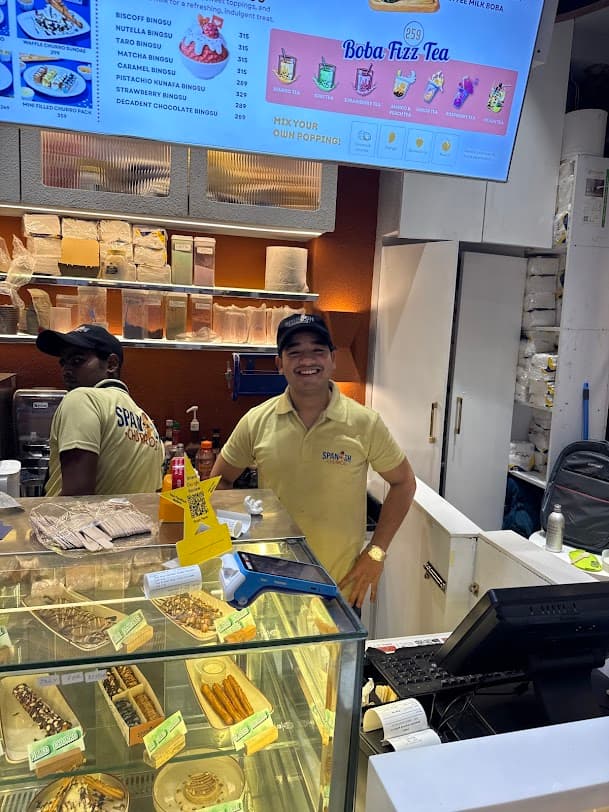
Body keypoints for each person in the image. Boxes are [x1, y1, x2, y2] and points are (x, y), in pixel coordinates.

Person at [211, 313, 416, 608]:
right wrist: (235, 540)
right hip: (269, 587)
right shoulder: (256, 421)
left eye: (317, 351)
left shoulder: (364, 423)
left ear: (333, 359)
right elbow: (220, 481)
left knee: (338, 655)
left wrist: (376, 553)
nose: (307, 361)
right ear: (280, 363)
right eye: (294, 353)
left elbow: (404, 483)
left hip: (339, 587)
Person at [36, 324, 164, 497]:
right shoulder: (148, 425)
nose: (66, 370)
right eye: (63, 363)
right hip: (136, 524)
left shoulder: (82, 399)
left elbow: (77, 501)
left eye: (76, 361)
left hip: (73, 524)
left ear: (111, 364)